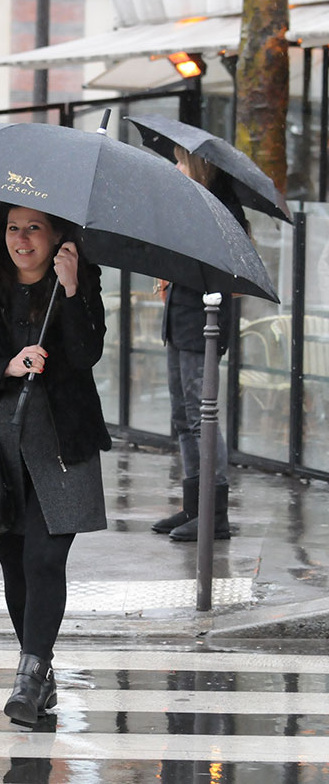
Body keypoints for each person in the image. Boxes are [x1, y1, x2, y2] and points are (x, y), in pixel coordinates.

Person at [0, 203, 109, 727]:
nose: (22, 238)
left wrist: (75, 288)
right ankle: (39, 672)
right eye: (13, 228)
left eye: (35, 227)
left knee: (43, 560)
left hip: (62, 445)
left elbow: (87, 355)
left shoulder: (81, 281)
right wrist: (6, 367)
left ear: (58, 234)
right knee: (15, 567)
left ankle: (27, 679)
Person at [151, 147, 244, 542]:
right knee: (181, 416)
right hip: (181, 318)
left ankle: (214, 515)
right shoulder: (190, 208)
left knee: (200, 418)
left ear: (199, 168)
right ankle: (194, 505)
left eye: (180, 161)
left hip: (202, 322)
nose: (175, 168)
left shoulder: (220, 214)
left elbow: (221, 272)